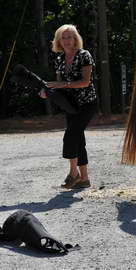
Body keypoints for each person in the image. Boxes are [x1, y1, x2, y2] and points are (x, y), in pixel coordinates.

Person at [39, 24, 98, 189]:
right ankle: (84, 179)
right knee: (78, 138)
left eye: (69, 37)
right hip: (70, 104)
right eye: (63, 38)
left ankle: (74, 174)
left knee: (71, 135)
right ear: (58, 40)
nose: (66, 40)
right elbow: (58, 85)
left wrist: (63, 84)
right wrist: (47, 91)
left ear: (75, 39)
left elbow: (85, 82)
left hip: (87, 103)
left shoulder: (84, 55)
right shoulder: (59, 59)